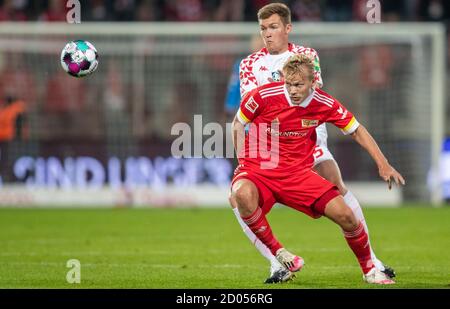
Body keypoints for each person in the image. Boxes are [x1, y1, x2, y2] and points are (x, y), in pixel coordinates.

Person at [230, 2, 396, 283]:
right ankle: (276, 262)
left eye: (273, 27)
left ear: (287, 28)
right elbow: (251, 106)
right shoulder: (249, 64)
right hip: (269, 143)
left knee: (336, 185)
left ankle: (372, 261)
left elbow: (312, 93)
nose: (267, 34)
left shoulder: (306, 54)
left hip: (308, 134)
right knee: (239, 197)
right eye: (263, 29)